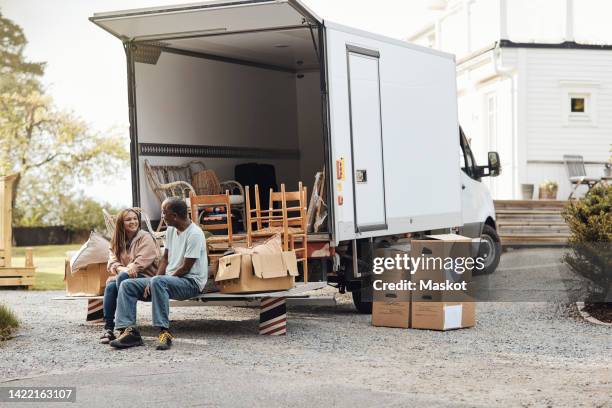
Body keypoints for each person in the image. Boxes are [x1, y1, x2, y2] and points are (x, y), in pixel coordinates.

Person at [110, 197, 207, 350]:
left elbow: (185, 268)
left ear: (174, 216)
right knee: (127, 284)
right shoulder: (170, 230)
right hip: (169, 280)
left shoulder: (195, 234)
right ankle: (129, 331)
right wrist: (155, 278)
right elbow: (165, 259)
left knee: (158, 281)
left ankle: (165, 332)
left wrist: (157, 280)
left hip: (190, 282)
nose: (162, 216)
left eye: (164, 213)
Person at [101, 208, 159, 344]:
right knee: (110, 287)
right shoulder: (116, 241)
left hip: (148, 280)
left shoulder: (146, 237)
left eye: (135, 219)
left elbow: (141, 262)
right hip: (127, 277)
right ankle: (108, 328)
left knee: (120, 278)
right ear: (121, 223)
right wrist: (124, 269)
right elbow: (112, 263)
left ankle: (126, 329)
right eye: (128, 220)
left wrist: (125, 270)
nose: (133, 222)